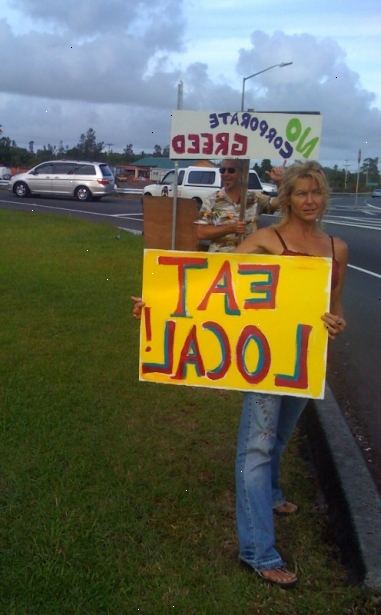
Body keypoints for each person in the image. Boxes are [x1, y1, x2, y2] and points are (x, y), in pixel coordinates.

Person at [132, 160, 348, 588]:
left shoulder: (336, 248)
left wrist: (336, 324)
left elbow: (335, 308)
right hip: (264, 363)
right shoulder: (265, 240)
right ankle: (257, 550)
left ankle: (270, 496)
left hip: (303, 360)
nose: (310, 200)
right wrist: (156, 303)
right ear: (286, 197)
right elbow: (212, 282)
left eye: (316, 192)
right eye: (301, 192)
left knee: (280, 439)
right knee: (257, 449)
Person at [193, 159, 281, 253]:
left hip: (248, 258)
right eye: (222, 170)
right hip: (221, 259)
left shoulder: (255, 198)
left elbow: (279, 202)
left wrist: (280, 183)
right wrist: (230, 228)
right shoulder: (212, 201)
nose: (225, 174)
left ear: (242, 173)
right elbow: (200, 232)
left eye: (231, 170)